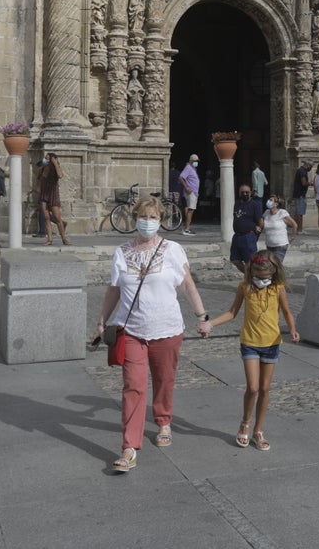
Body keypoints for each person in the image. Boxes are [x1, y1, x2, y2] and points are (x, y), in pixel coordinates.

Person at [93, 195, 210, 474]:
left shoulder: (173, 250)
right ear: (134, 219)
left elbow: (187, 285)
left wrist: (202, 316)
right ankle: (129, 447)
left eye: (153, 217)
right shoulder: (122, 252)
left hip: (167, 328)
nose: (148, 222)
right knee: (133, 386)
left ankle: (163, 419)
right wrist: (101, 321)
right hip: (132, 330)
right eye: (143, 217)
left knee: (163, 379)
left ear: (161, 220)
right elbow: (114, 290)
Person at [200, 252, 298, 451]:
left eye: (266, 277)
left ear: (274, 273)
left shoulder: (278, 289)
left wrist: (293, 329)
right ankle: (245, 422)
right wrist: (211, 324)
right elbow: (232, 312)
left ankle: (258, 430)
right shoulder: (244, 287)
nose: (262, 280)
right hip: (250, 342)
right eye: (258, 276)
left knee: (264, 389)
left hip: (272, 343)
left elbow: (287, 311)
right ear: (250, 271)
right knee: (252, 387)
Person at [36, 153, 70, 245]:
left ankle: (64, 239)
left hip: (52, 195)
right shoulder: (43, 168)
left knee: (57, 218)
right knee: (46, 218)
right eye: (45, 158)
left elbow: (60, 175)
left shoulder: (55, 168)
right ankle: (49, 240)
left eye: (47, 158)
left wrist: (55, 163)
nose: (45, 160)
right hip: (44, 195)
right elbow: (39, 179)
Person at [230, 184, 265, 273]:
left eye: (247, 192)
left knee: (250, 261)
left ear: (250, 193)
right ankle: (249, 276)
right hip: (237, 236)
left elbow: (260, 221)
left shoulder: (255, 205)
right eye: (242, 192)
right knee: (235, 260)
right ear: (239, 193)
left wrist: (256, 234)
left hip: (248, 236)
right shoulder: (237, 203)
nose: (245, 194)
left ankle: (254, 279)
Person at [262, 195, 298, 260]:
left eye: (270, 200)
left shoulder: (282, 213)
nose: (268, 201)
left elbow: (294, 225)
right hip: (269, 245)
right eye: (268, 200)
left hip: (280, 245)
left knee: (276, 264)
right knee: (271, 265)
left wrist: (292, 236)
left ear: (276, 204)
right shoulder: (266, 213)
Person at [179, 153, 200, 234]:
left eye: (197, 161)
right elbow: (181, 177)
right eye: (195, 161)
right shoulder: (188, 167)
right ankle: (186, 229)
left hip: (194, 192)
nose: (196, 162)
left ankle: (187, 227)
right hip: (190, 192)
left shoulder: (193, 169)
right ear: (191, 161)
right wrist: (186, 187)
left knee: (191, 210)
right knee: (190, 210)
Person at [291, 159, 313, 234]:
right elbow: (303, 183)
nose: (311, 168)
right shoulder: (302, 171)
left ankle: (299, 229)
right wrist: (310, 183)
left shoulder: (301, 170)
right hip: (300, 195)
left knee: (299, 213)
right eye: (311, 166)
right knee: (299, 213)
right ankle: (299, 229)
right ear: (308, 165)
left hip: (299, 194)